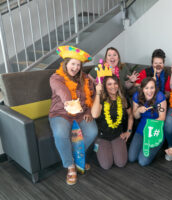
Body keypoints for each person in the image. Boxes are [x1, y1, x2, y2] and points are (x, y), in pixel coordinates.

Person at [49, 46, 98, 185]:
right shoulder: (56, 78)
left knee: (93, 131)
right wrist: (69, 103)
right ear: (66, 64)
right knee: (60, 134)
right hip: (61, 113)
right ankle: (70, 166)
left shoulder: (85, 78)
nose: (75, 67)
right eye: (73, 64)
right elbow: (62, 91)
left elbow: (91, 96)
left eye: (78, 65)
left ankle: (77, 158)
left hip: (81, 113)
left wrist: (88, 112)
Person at [91, 75, 133, 169]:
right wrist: (98, 93)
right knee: (106, 165)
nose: (113, 86)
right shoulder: (101, 99)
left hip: (117, 135)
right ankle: (99, 148)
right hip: (102, 137)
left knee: (121, 163)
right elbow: (94, 115)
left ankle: (113, 148)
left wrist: (128, 131)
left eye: (115, 83)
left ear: (118, 84)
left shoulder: (123, 99)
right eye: (109, 84)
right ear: (104, 86)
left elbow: (131, 115)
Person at [128, 77, 167, 166]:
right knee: (131, 158)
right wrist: (138, 110)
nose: (149, 91)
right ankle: (144, 146)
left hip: (154, 130)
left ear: (155, 88)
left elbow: (162, 118)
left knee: (142, 162)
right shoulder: (137, 96)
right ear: (142, 89)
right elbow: (135, 116)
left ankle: (158, 144)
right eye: (146, 88)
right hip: (141, 130)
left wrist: (149, 127)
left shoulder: (160, 96)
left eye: (152, 87)